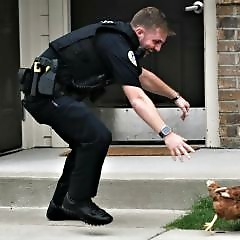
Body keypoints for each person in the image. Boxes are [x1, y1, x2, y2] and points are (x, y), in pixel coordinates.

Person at [20, 7, 195, 226]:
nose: (157, 48)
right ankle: (78, 200)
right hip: (46, 95)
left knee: (84, 141)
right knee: (97, 136)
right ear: (140, 32)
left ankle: (60, 206)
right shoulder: (115, 43)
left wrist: (175, 97)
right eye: (156, 41)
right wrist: (167, 133)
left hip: (56, 95)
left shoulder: (119, 43)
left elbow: (141, 76)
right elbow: (137, 98)